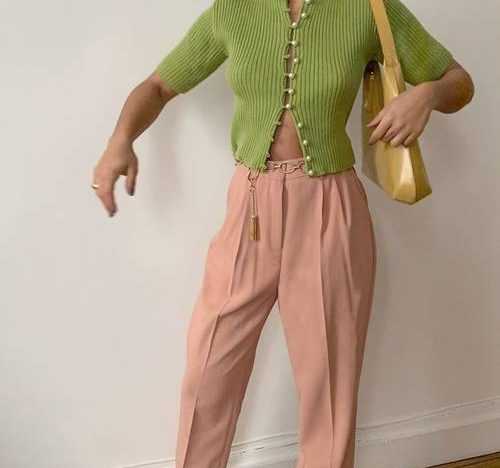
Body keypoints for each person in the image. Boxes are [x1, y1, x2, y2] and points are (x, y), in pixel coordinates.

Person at [91, 0, 474, 466]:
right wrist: (120, 141)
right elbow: (157, 85)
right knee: (208, 369)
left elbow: (458, 81)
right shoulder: (233, 9)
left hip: (329, 205)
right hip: (249, 205)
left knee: (328, 382)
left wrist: (426, 96)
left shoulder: (367, 8)